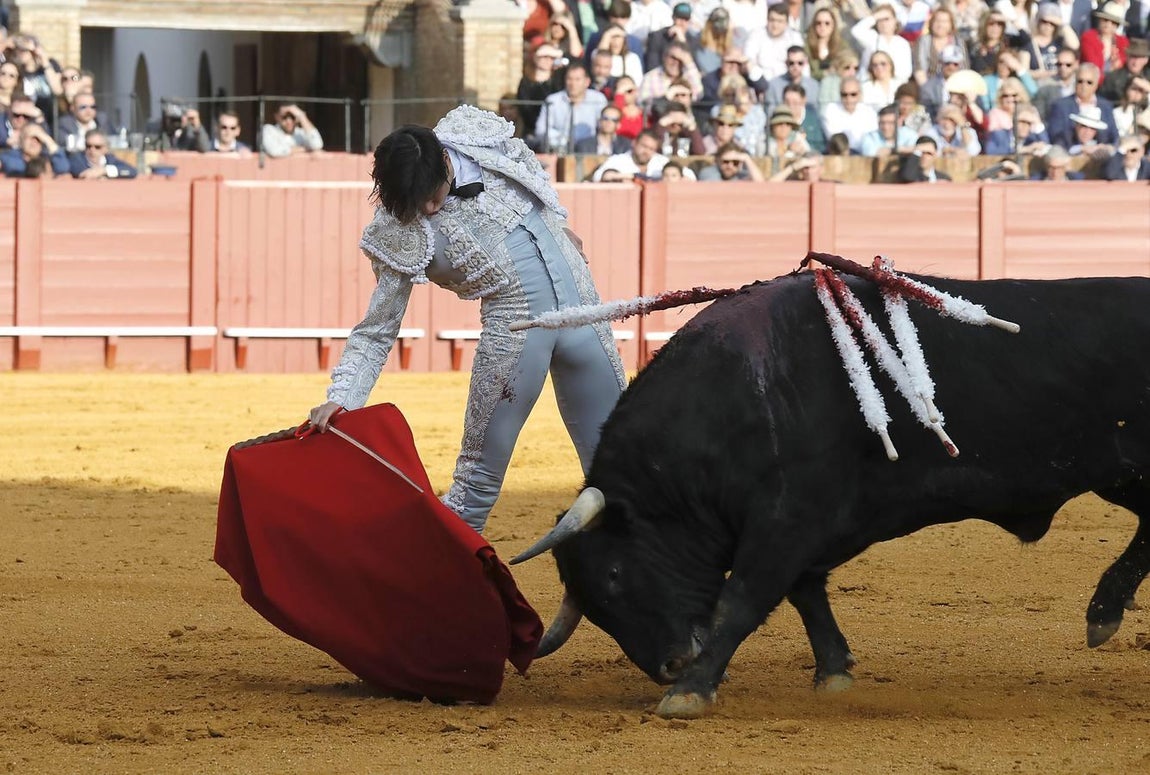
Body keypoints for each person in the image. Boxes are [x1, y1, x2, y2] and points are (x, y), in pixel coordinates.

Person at [307, 105, 626, 535]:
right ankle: (432, 591)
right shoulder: (398, 226)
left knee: (621, 466)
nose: (429, 209)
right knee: (474, 485)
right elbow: (378, 328)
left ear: (443, 160)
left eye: (431, 195)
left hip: (585, 307)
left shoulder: (473, 136)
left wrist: (556, 221)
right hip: (515, 334)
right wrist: (344, 396)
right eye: (416, 204)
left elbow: (532, 173)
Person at [536, 61, 609, 153]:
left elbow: (605, 127)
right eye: (569, 79)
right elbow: (541, 130)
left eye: (577, 79)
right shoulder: (552, 100)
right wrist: (564, 140)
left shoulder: (598, 99)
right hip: (559, 150)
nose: (572, 83)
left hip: (589, 150)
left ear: (587, 82)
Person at [1046, 62, 1120, 147]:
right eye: (1080, 81)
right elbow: (1055, 137)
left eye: (1089, 82)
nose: (1084, 85)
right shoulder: (1060, 106)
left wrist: (1106, 149)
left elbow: (1114, 137)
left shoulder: (1106, 106)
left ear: (1096, 85)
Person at [850, 3, 915, 84]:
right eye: (880, 20)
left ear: (895, 21)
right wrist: (875, 16)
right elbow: (855, 31)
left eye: (887, 19)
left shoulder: (903, 44)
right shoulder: (871, 37)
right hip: (870, 83)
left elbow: (906, 72)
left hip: (894, 85)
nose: (884, 23)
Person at [517, 43, 566, 144]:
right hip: (530, 128)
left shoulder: (559, 77)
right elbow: (524, 107)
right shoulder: (526, 81)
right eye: (544, 57)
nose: (548, 60)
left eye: (551, 58)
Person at [745, 3, 806, 83]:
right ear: (767, 20)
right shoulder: (756, 35)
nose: (775, 25)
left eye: (780, 21)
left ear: (786, 23)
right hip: (761, 82)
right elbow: (748, 60)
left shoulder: (794, 37)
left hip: (789, 82)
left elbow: (802, 64)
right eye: (772, 20)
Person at [821, 76, 879, 152]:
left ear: (860, 94)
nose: (849, 99)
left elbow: (872, 139)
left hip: (864, 154)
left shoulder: (869, 112)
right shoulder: (831, 110)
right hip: (840, 153)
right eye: (844, 94)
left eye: (853, 94)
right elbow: (835, 139)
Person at [592, 128, 671, 179]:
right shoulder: (618, 160)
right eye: (644, 146)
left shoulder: (663, 162)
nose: (646, 152)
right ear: (634, 143)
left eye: (651, 149)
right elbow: (599, 176)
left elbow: (682, 177)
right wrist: (626, 177)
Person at [645, 3, 702, 72]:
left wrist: (683, 43)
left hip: (684, 80)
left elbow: (695, 69)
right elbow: (652, 66)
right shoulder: (657, 37)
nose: (682, 23)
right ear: (673, 18)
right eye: (679, 18)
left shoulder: (693, 41)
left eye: (686, 19)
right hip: (661, 78)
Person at [0, 122, 70, 178]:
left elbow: (63, 168)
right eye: (30, 137)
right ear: (21, 140)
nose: (34, 141)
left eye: (38, 138)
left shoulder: (47, 158)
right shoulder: (9, 156)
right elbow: (15, 167)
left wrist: (48, 140)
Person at [765, 46, 820, 115]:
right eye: (791, 63)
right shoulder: (773, 85)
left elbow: (816, 112)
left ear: (805, 62)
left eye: (800, 63)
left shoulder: (814, 86)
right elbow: (770, 112)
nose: (795, 67)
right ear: (786, 63)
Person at [1079, 3, 1129, 78]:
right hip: (1093, 78)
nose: (1108, 24)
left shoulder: (1123, 41)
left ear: (1117, 26)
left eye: (1113, 22)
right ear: (1100, 20)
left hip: (1115, 81)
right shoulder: (1089, 37)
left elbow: (1124, 63)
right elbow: (1092, 63)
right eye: (1105, 20)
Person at [806, 3, 852, 81]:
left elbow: (847, 67)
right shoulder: (807, 46)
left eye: (827, 23)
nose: (822, 27)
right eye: (818, 23)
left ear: (833, 25)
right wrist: (825, 73)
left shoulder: (842, 46)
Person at [68, 129, 138, 179]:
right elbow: (78, 171)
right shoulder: (78, 159)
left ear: (105, 148)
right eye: (88, 146)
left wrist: (104, 170)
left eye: (97, 147)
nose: (92, 150)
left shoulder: (110, 160)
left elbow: (131, 171)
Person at [1099, 36, 1149, 103]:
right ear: (1127, 57)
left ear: (1146, 60)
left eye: (1140, 58)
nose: (1136, 62)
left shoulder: (1148, 76)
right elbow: (1103, 102)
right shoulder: (1112, 78)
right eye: (1133, 57)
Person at [696, 141, 766, 180]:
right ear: (717, 161)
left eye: (735, 162)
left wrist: (747, 158)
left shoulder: (741, 175)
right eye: (726, 162)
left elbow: (760, 184)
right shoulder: (709, 173)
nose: (730, 166)